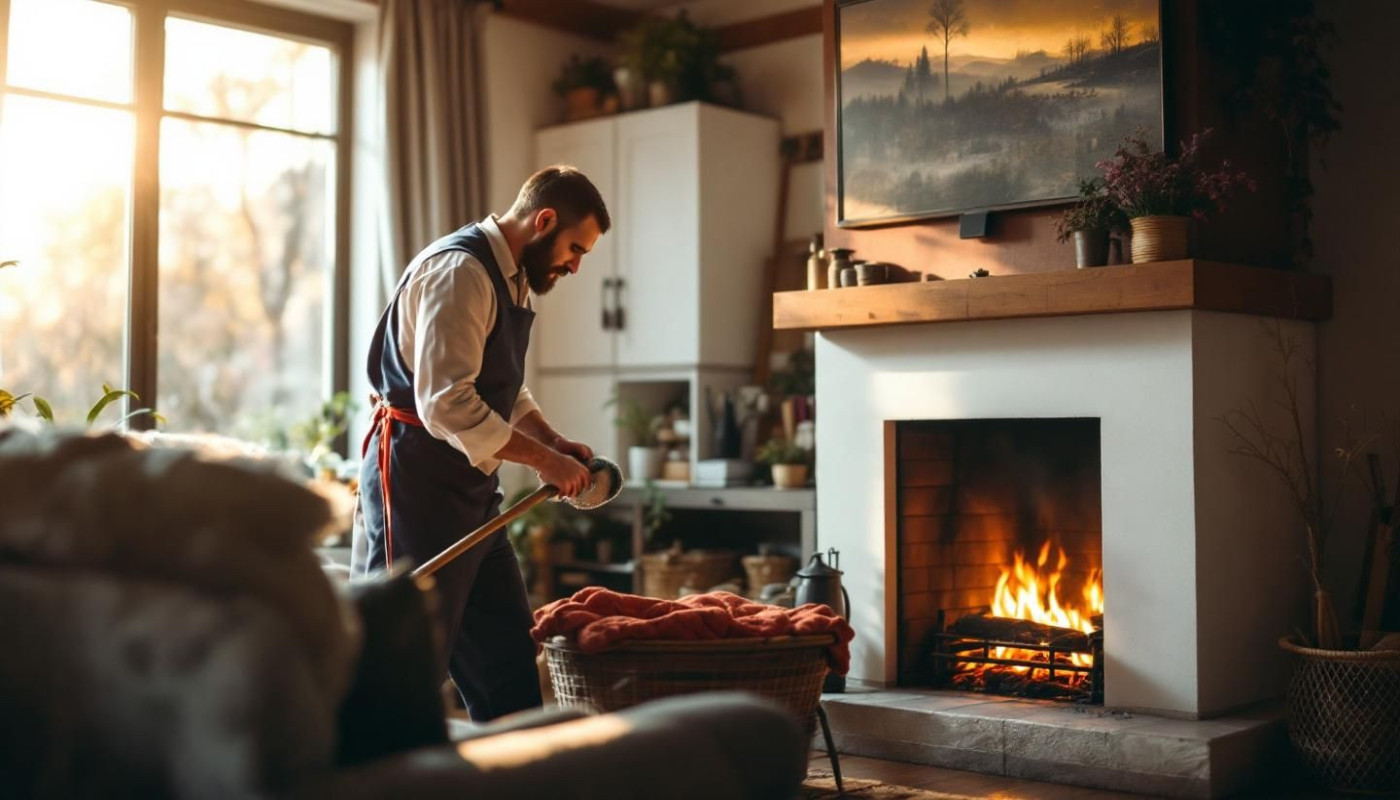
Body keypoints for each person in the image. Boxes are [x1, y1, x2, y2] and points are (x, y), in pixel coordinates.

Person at [356, 166, 610, 721]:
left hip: (472, 490)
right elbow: (447, 402)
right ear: (543, 220)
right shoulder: (461, 272)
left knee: (506, 659)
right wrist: (544, 462)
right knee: (403, 660)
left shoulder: (513, 274)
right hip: (416, 480)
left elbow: (501, 384)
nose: (575, 264)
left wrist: (552, 439)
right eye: (574, 248)